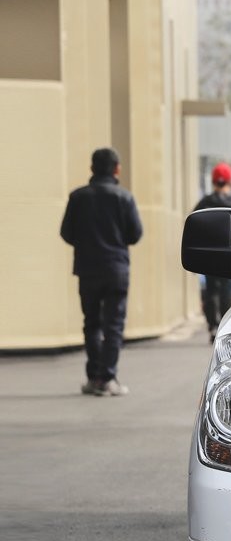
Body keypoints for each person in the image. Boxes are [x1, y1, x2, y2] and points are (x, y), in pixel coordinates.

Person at [60, 148, 143, 396]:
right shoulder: (124, 197)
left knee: (91, 323)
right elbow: (135, 234)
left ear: (92, 168)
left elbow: (66, 233)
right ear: (117, 169)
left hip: (87, 269)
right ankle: (108, 378)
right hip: (116, 269)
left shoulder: (77, 197)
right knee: (113, 325)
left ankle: (94, 377)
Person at [194, 163, 231, 341]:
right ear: (230, 181)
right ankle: (224, 328)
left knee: (211, 291)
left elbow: (193, 225)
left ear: (213, 182)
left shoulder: (204, 203)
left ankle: (212, 325)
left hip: (209, 256)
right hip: (230, 256)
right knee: (228, 292)